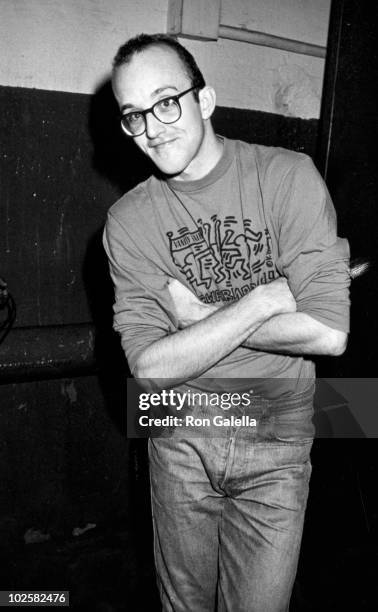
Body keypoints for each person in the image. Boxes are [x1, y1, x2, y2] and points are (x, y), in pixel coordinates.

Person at [103, 33, 350, 612]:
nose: (153, 128)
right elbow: (150, 371)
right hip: (181, 428)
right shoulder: (128, 220)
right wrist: (263, 300)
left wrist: (200, 319)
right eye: (133, 115)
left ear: (205, 100)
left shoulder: (288, 177)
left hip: (280, 428)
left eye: (167, 102)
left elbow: (329, 333)